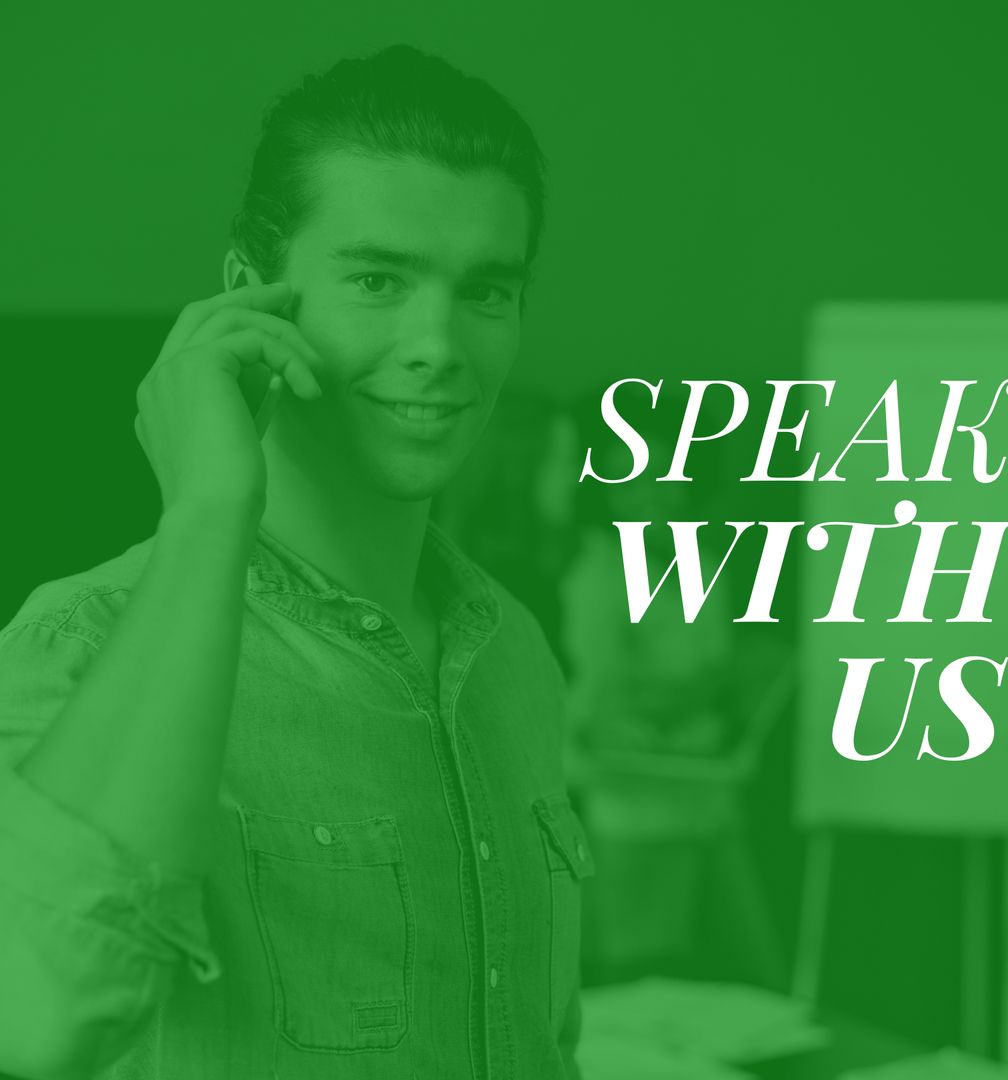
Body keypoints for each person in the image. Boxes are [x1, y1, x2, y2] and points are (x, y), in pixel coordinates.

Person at [0, 45, 591, 1080]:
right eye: (377, 279)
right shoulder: (77, 641)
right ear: (252, 293)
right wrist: (208, 510)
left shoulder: (515, 655)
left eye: (487, 292)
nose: (438, 342)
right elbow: (37, 1020)